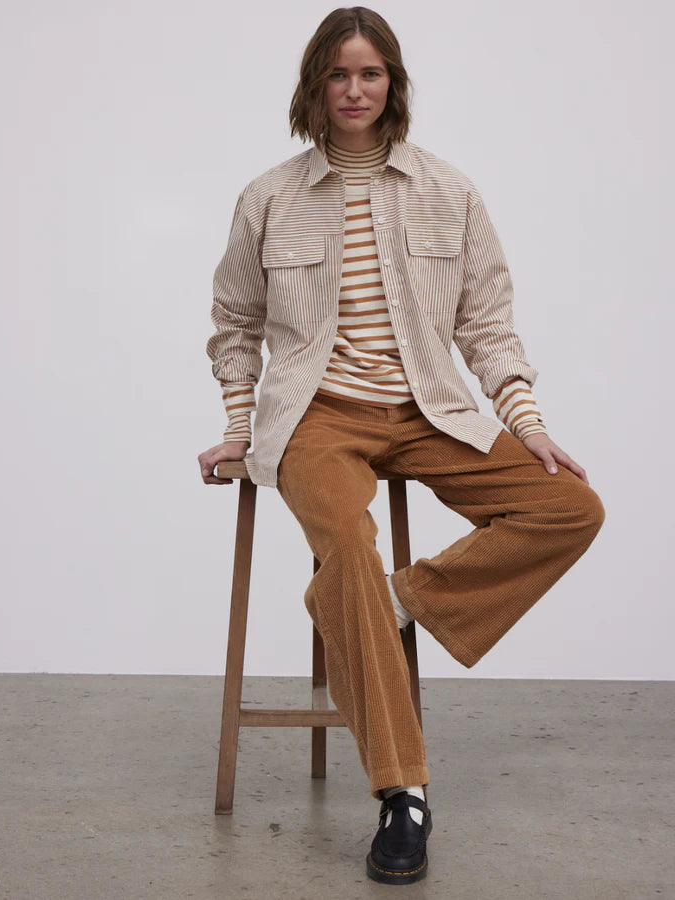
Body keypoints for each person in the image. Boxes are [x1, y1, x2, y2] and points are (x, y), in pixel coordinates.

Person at [199, 6, 606, 886]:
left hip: (430, 409)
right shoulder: (268, 197)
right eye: (338, 74)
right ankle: (404, 795)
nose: (355, 90)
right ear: (315, 85)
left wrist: (527, 422)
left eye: (371, 73)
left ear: (393, 84)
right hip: (317, 415)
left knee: (572, 506)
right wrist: (238, 426)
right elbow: (234, 324)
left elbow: (487, 324)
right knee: (345, 546)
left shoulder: (449, 191)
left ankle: (393, 601)